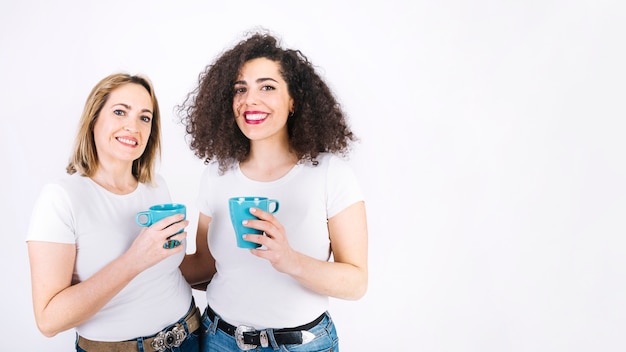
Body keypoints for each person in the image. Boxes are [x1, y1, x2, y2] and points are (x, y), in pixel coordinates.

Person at [178, 31, 368, 351]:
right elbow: (207, 267)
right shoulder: (217, 174)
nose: (250, 99)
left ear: (293, 100)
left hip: (303, 345)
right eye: (241, 89)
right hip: (219, 340)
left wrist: (288, 259)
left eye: (267, 86)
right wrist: (149, 260)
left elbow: (356, 282)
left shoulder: (330, 174)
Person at [26, 73, 201, 352]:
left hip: (190, 335)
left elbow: (173, 270)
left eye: (145, 117)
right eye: (120, 112)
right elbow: (48, 320)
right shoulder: (61, 198)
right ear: (94, 119)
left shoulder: (156, 186)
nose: (133, 126)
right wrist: (135, 259)